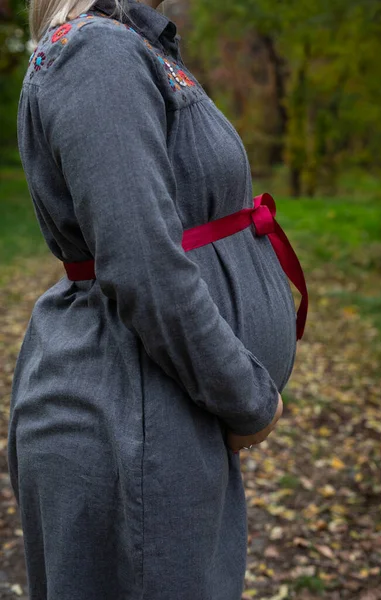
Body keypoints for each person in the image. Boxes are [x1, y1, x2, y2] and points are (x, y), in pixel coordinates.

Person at [7, 0, 303, 598]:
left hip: (162, 410)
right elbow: (142, 262)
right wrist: (247, 400)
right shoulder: (96, 53)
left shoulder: (132, 45)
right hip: (130, 417)